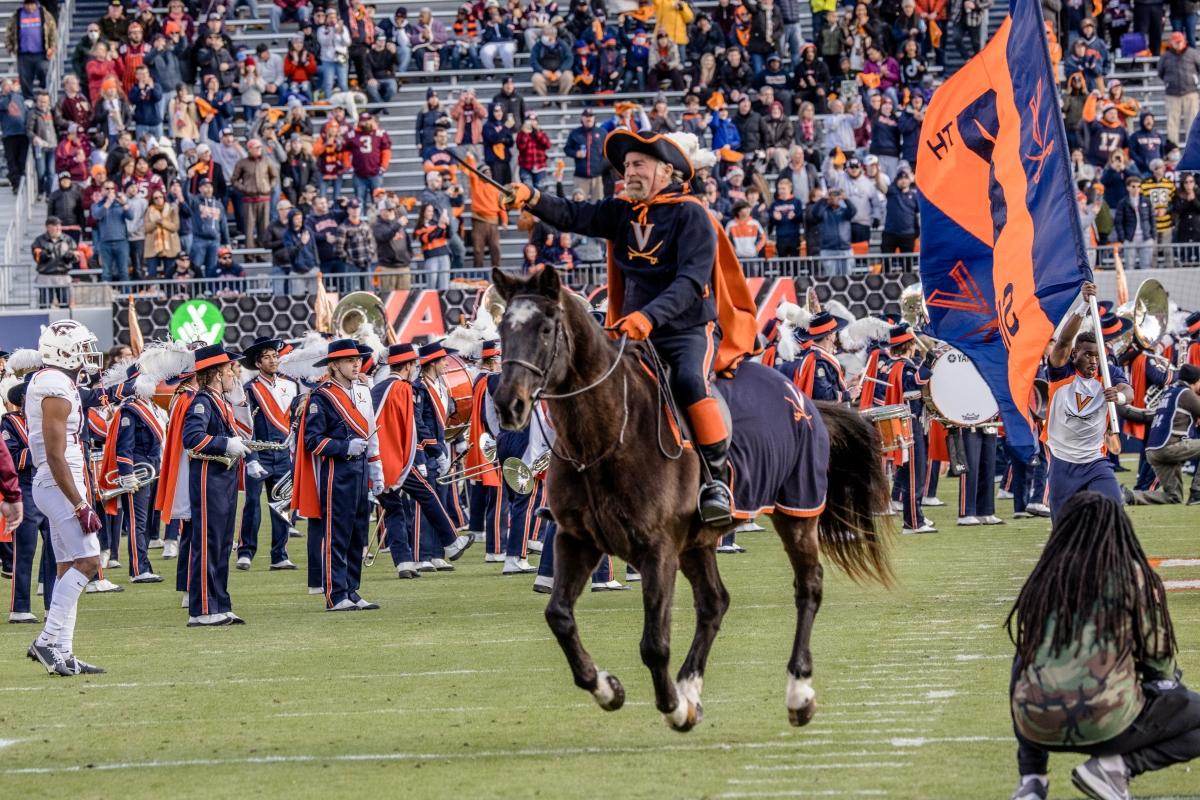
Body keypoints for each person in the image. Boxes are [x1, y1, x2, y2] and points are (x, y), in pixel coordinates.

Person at [503, 130, 759, 524]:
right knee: (590, 384)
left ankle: (716, 481)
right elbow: (574, 215)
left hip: (688, 330)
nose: (629, 172)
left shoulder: (692, 213)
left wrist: (648, 317)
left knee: (691, 381)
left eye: (638, 164)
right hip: (631, 331)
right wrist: (532, 199)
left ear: (666, 170)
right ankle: (579, 484)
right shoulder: (621, 209)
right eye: (626, 167)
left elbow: (691, 283)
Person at [1006, 491, 1200, 800]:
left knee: (1024, 665)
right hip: (1106, 724)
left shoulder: (1043, 577)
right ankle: (1116, 767)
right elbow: (1158, 662)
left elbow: (1023, 663)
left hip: (1034, 724)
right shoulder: (1132, 576)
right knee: (1187, 705)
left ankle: (1032, 779)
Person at [26, 320, 107, 675]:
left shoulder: (56, 382)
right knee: (89, 562)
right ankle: (46, 641)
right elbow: (56, 454)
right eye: (83, 346)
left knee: (66, 567)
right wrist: (78, 502)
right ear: (65, 350)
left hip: (57, 482)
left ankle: (63, 651)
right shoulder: (55, 386)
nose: (89, 353)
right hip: (59, 483)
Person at [293, 339, 386, 611]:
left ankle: (353, 590)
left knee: (359, 532)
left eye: (357, 359)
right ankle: (336, 594)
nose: (356, 364)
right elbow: (312, 440)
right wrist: (345, 447)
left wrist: (376, 468)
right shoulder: (321, 396)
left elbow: (371, 431)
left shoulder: (363, 390)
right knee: (338, 534)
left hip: (360, 468)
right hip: (336, 470)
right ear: (334, 365)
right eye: (349, 360)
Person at [371, 343, 470, 579]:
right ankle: (452, 541)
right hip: (398, 460)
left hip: (376, 461)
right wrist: (433, 453)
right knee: (428, 494)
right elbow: (415, 427)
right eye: (414, 364)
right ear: (407, 366)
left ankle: (404, 562)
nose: (416, 368)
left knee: (394, 509)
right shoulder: (404, 388)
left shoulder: (379, 388)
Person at [1043, 281, 1133, 518]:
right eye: (1088, 355)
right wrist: (1083, 305)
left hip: (1095, 462)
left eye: (1098, 355)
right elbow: (1063, 341)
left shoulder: (1108, 371)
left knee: (1114, 512)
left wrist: (1120, 396)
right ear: (1075, 355)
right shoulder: (1061, 372)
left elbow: (1129, 390)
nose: (1094, 361)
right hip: (1063, 462)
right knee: (1062, 527)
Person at [181, 343, 249, 627]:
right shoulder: (202, 401)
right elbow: (192, 438)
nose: (234, 374)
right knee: (208, 543)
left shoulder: (220, 401)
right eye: (229, 370)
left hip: (223, 479)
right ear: (218, 374)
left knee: (222, 544)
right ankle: (203, 609)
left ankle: (220, 603)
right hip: (208, 479)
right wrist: (226, 444)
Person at [237, 337, 299, 571]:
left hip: (283, 454)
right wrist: (251, 458)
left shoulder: (291, 385)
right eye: (267, 357)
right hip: (259, 453)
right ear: (257, 362)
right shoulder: (250, 390)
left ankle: (280, 554)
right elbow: (245, 426)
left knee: (282, 504)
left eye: (275, 356)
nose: (273, 360)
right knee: (252, 504)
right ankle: (245, 552)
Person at [1126, 364, 1200, 506]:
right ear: (1195, 381)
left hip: (1153, 450)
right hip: (1169, 446)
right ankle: (1197, 492)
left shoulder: (1169, 392)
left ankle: (1131, 496)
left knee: (1174, 497)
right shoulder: (1185, 393)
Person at [230, 138, 279, 249]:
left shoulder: (267, 161)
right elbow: (234, 180)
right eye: (256, 147)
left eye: (260, 147)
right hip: (249, 199)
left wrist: (269, 187)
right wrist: (244, 188)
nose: (259, 149)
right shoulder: (242, 163)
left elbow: (274, 176)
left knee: (264, 227)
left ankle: (263, 251)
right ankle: (250, 254)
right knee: (249, 228)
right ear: (250, 149)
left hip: (264, 198)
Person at [1157, 31, 1200, 145]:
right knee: (1172, 122)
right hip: (1172, 93)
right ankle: (1173, 148)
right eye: (1175, 42)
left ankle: (1192, 147)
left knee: (1191, 121)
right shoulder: (1165, 56)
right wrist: (1169, 82)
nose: (1178, 44)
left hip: (1190, 92)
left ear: (1184, 42)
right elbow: (1160, 72)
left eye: (1180, 42)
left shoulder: (1192, 53)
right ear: (1171, 42)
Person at [7, 0, 56, 99]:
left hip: (41, 53)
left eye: (31, 4)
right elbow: (9, 31)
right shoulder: (18, 15)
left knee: (43, 70)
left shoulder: (44, 14)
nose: (29, 7)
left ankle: (44, 94)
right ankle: (28, 99)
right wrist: (10, 47)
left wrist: (52, 47)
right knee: (25, 78)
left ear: (36, 4)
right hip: (23, 53)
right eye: (27, 5)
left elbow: (52, 31)